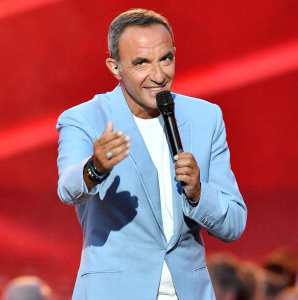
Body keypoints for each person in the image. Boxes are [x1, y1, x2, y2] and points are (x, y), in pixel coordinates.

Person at [56, 8, 247, 300]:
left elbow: (233, 223)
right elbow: (69, 188)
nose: (158, 76)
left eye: (166, 59)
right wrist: (96, 168)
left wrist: (198, 192)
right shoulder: (85, 118)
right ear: (114, 67)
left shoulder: (205, 117)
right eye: (141, 63)